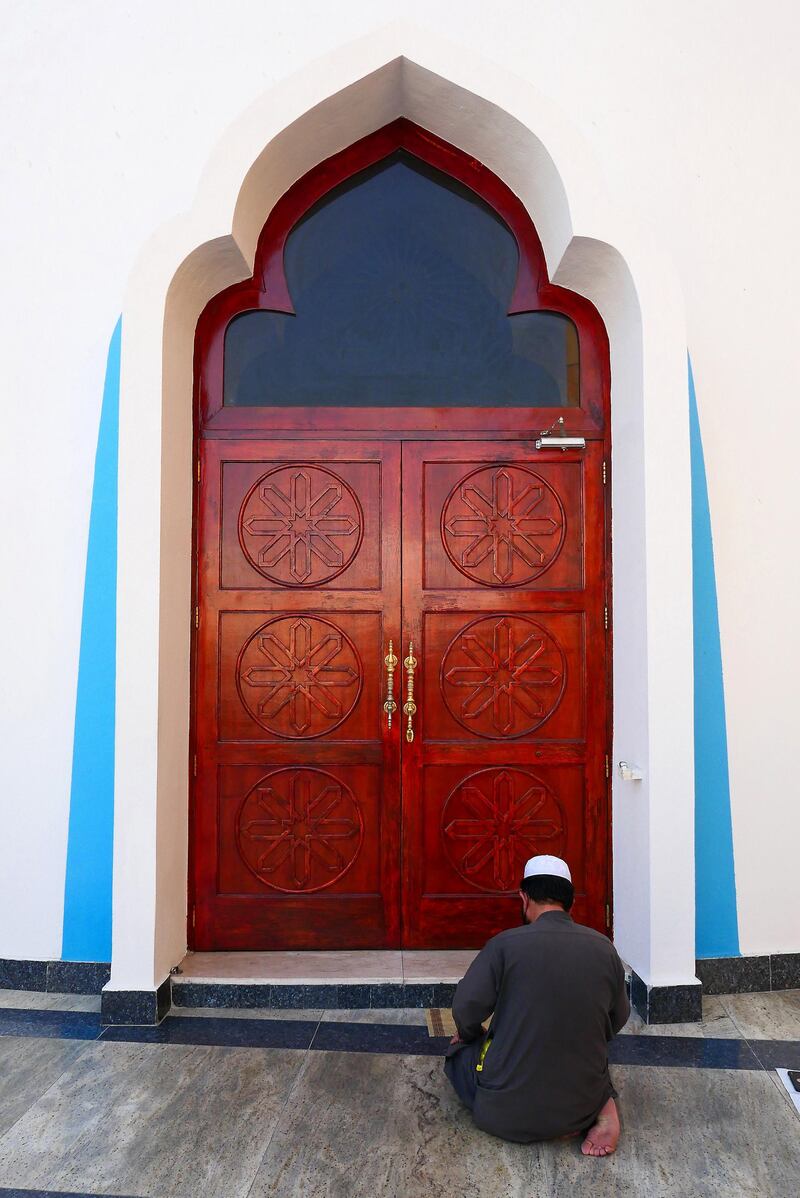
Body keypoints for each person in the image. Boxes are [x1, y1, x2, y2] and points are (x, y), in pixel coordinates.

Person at [444, 854, 629, 1156]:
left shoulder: (504, 945)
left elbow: (466, 1009)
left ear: (524, 897)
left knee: (457, 1057)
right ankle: (602, 1102)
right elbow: (618, 1018)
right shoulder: (604, 948)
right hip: (578, 1109)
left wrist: (468, 1035)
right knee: (595, 1061)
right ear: (570, 903)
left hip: (503, 1115)